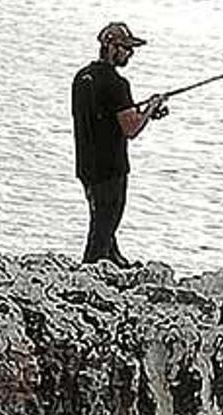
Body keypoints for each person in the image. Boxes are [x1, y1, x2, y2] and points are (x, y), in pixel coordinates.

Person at [71, 21, 170, 267]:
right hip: (110, 167)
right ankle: (91, 270)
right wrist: (150, 108)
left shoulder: (82, 78)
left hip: (86, 165)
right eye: (126, 47)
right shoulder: (117, 84)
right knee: (105, 224)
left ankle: (114, 262)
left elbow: (105, 115)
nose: (130, 53)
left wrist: (143, 112)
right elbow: (131, 128)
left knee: (101, 218)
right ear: (111, 47)